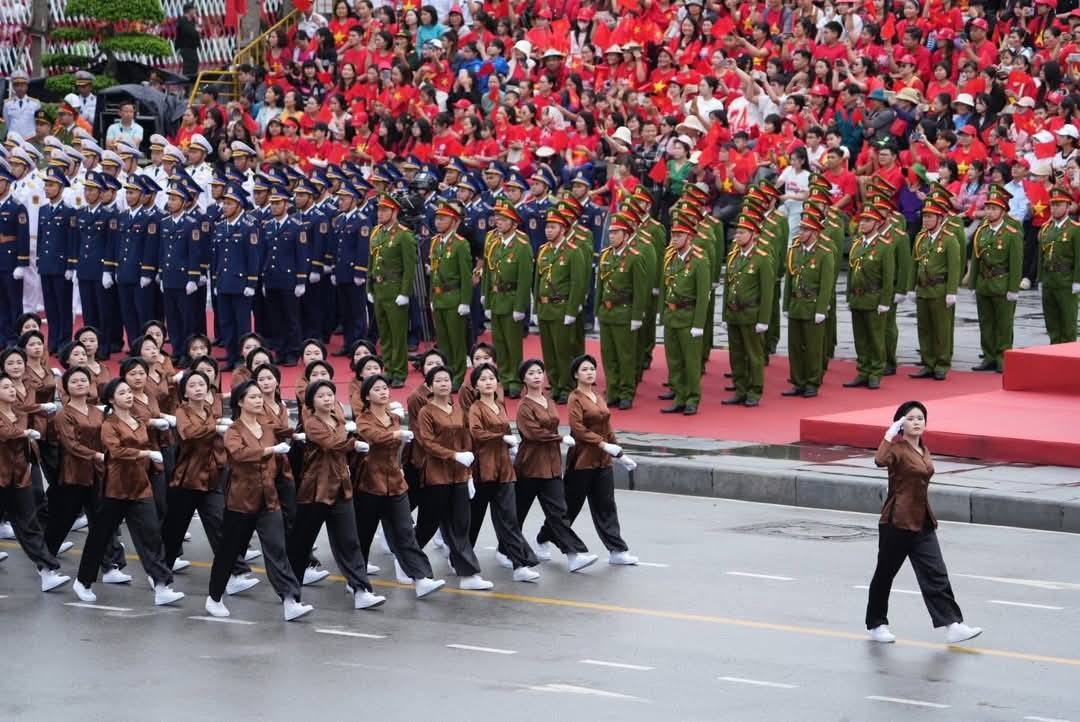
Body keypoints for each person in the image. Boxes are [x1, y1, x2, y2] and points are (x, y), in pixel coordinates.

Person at [865, 400, 982, 645]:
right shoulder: (896, 449)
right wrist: (889, 433)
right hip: (897, 522)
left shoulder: (923, 449)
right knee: (885, 574)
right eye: (910, 418)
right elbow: (879, 459)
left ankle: (952, 624)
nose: (916, 422)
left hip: (922, 522)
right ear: (900, 423)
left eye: (920, 418)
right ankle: (877, 624)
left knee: (936, 573)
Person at [205, 381, 312, 620]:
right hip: (241, 501)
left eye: (259, 397)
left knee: (277, 549)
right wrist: (270, 451)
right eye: (252, 397)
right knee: (229, 551)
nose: (258, 400)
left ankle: (289, 600)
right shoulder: (234, 430)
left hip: (268, 498)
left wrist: (303, 435)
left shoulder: (267, 428)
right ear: (240, 402)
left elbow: (288, 432)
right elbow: (239, 454)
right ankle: (214, 597)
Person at [73, 378, 184, 606]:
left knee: (151, 535)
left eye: (129, 392)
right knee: (101, 536)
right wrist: (145, 455)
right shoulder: (109, 425)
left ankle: (162, 585)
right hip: (116, 488)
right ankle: (83, 581)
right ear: (112, 399)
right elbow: (115, 451)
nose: (129, 395)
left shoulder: (137, 421)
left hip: (140, 485)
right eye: (122, 392)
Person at [287, 379, 386, 610]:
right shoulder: (312, 423)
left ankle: (361, 590)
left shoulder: (338, 419)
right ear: (311, 401)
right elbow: (332, 444)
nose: (328, 399)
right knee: (301, 544)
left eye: (330, 394)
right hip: (316, 490)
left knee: (350, 542)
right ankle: (290, 595)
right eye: (321, 396)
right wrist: (353, 444)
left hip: (341, 487)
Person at [161, 370, 256, 594]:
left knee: (221, 525)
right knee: (174, 531)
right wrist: (215, 428)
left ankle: (235, 572)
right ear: (184, 392)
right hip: (187, 480)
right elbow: (187, 433)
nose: (198, 388)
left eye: (202, 384)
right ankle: (160, 575)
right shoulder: (182, 412)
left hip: (212, 478)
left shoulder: (210, 411)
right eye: (192, 385)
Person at [352, 373, 446, 599]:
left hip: (395, 483)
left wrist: (398, 465)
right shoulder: (363, 419)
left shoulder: (393, 419)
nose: (383, 392)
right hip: (370, 484)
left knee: (405, 532)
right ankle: (356, 580)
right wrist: (396, 433)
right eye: (377, 389)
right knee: (364, 534)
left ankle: (421, 578)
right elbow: (374, 437)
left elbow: (397, 450)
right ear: (367, 396)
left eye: (385, 388)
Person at [549, 355, 638, 566]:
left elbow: (607, 427)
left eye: (592, 369)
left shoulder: (598, 396)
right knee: (570, 507)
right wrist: (602, 444)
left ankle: (617, 550)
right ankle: (545, 536)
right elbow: (578, 429)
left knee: (606, 506)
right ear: (576, 374)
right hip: (582, 460)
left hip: (603, 461)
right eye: (584, 369)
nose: (590, 372)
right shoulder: (575, 398)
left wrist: (620, 454)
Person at [44, 367, 129, 583]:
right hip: (74, 475)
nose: (80, 384)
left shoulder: (98, 412)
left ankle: (109, 566)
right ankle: (45, 565)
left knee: (103, 523)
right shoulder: (63, 414)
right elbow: (71, 445)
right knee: (62, 522)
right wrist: (97, 456)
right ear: (66, 387)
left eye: (84, 380)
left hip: (98, 475)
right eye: (74, 381)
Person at [513, 359, 596, 572]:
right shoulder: (523, 406)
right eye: (531, 373)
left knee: (559, 513)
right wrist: (558, 439)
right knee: (516, 513)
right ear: (524, 378)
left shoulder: (548, 401)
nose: (537, 376)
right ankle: (508, 549)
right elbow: (532, 433)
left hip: (551, 466)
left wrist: (557, 440)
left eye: (540, 372)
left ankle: (573, 555)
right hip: (530, 465)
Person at [414, 365, 492, 590]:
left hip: (458, 476)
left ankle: (468, 575)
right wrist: (454, 455)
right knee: (427, 525)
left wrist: (467, 472)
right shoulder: (426, 412)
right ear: (430, 385)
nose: (443, 384)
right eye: (438, 380)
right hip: (436, 476)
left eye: (447, 379)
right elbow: (427, 443)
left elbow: (466, 440)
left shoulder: (458, 410)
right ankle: (407, 556)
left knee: (460, 525)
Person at [467, 362, 541, 582]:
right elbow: (477, 433)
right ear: (476, 386)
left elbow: (506, 430)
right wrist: (500, 438)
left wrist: (511, 446)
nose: (488, 382)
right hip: (484, 469)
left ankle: (519, 565)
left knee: (509, 518)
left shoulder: (500, 405)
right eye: (483, 379)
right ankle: (460, 556)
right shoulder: (475, 408)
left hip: (504, 470)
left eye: (491, 378)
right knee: (475, 518)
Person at [0, 371, 70, 592]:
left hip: (19, 476)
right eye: (5, 387)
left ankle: (47, 571)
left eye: (12, 386)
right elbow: (7, 433)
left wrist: (43, 409)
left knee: (28, 524)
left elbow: (32, 408)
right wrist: (25, 432)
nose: (12, 390)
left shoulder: (18, 411)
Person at [534, 209, 587, 404]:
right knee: (549, 351)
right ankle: (555, 384)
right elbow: (537, 280)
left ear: (563, 229)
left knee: (563, 351)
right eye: (547, 227)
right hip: (545, 308)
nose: (548, 231)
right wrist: (535, 307)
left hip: (562, 307)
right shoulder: (543, 250)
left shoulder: (573, 252)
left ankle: (566, 386)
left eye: (553, 227)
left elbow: (577, 283)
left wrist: (572, 311)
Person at [659, 219, 711, 414]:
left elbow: (703, 295)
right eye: (673, 235)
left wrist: (699, 324)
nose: (675, 239)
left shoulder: (699, 260)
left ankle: (692, 398)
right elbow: (666, 287)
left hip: (688, 317)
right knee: (674, 361)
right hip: (672, 316)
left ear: (689, 237)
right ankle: (679, 396)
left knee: (690, 361)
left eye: (679, 235)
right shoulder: (671, 258)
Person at [596, 213, 647, 410]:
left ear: (626, 236)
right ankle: (613, 389)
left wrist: (637, 316)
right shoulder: (606, 255)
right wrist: (598, 309)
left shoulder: (634, 257)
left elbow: (640, 289)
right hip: (607, 312)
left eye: (616, 233)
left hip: (624, 312)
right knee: (608, 355)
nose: (612, 236)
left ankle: (626, 392)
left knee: (625, 356)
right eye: (610, 233)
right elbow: (600, 286)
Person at [481, 202, 533, 398]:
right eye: (498, 219)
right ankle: (502, 377)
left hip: (511, 300)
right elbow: (488, 271)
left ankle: (515, 381)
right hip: (496, 299)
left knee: (513, 345)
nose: (498, 223)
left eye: (503, 220)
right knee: (499, 344)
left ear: (514, 223)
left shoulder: (521, 246)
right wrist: (486, 297)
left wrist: (521, 306)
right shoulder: (494, 243)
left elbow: (524, 279)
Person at [782, 214, 836, 397]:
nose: (801, 233)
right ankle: (798, 381)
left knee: (813, 347)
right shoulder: (795, 251)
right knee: (795, 346)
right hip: (796, 304)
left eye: (805, 230)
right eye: (801, 229)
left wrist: (822, 309)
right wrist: (786, 305)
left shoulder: (824, 254)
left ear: (814, 232)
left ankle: (813, 382)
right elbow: (789, 279)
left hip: (812, 306)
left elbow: (827, 284)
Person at [968, 187, 1022, 373]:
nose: (989, 212)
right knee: (986, 322)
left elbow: (1016, 262)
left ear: (1003, 211)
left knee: (1004, 323)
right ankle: (989, 356)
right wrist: (973, 283)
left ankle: (1003, 357)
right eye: (988, 208)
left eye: (994, 208)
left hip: (1002, 282)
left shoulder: (1011, 232)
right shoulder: (982, 231)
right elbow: (976, 258)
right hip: (984, 282)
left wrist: (1013, 288)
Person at [910, 199, 962, 380]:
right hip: (923, 289)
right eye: (924, 217)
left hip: (939, 289)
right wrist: (911, 287)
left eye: (930, 217)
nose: (926, 220)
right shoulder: (920, 238)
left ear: (940, 218)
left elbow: (955, 267)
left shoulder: (949, 239)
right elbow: (913, 263)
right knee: (924, 329)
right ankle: (927, 362)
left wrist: (952, 291)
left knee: (941, 329)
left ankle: (941, 364)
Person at [844, 207, 896, 389]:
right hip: (858, 298)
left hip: (874, 298)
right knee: (860, 338)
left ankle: (875, 372)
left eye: (867, 220)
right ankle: (863, 370)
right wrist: (849, 296)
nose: (862, 223)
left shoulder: (884, 246)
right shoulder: (857, 244)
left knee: (875, 338)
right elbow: (851, 273)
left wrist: (885, 302)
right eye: (862, 220)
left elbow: (888, 278)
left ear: (877, 223)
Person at [368, 194, 417, 387]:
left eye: (384, 210)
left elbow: (409, 267)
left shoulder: (404, 235)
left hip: (395, 289)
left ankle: (399, 372)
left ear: (394, 212)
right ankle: (387, 368)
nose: (380, 213)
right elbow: (372, 261)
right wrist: (369, 287)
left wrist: (405, 292)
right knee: (384, 334)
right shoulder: (376, 232)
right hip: (379, 288)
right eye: (379, 210)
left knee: (398, 335)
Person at [427, 201, 473, 387]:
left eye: (443, 218)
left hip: (454, 297)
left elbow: (466, 275)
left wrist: (465, 301)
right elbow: (434, 273)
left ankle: (458, 375)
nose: (438, 222)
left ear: (454, 221)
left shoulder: (460, 245)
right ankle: (446, 372)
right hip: (439, 298)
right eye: (437, 218)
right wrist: (431, 297)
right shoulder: (435, 242)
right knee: (443, 340)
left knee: (456, 341)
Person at [1036, 187, 1080, 344]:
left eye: (1058, 204)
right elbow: (1041, 257)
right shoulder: (1046, 229)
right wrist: (1040, 279)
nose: (1054, 208)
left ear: (1068, 206)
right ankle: (1054, 353)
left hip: (1066, 281)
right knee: (1052, 322)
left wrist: (1077, 281)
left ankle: (1069, 359)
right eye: (1052, 204)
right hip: (1049, 280)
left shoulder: (1075, 229)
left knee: (1068, 323)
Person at [175, 3, 202, 79]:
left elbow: (198, 33)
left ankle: (191, 83)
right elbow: (192, 33)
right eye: (193, 9)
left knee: (194, 64)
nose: (195, 11)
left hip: (192, 48)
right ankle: (187, 84)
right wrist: (197, 29)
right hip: (186, 48)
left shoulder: (191, 22)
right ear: (189, 11)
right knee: (189, 66)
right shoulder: (183, 21)